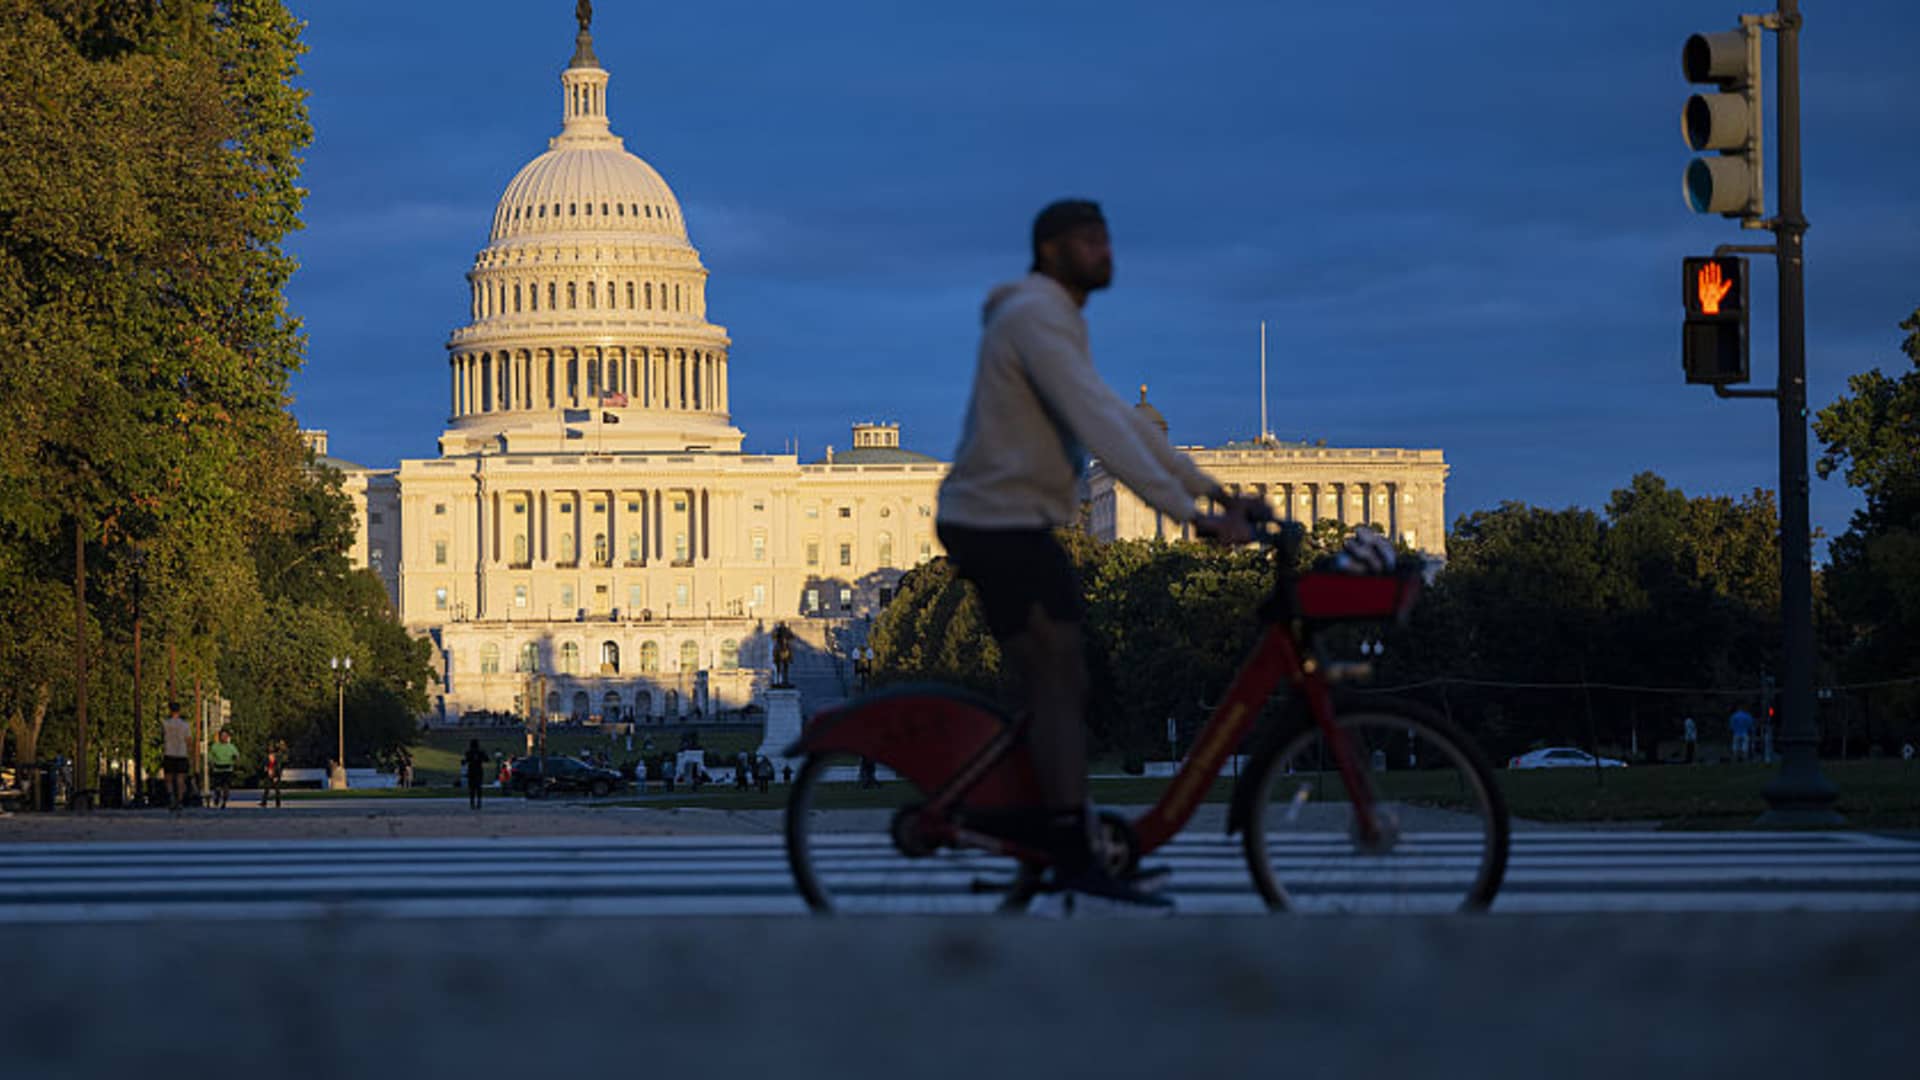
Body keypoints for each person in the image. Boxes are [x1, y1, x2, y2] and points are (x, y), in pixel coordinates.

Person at [934, 199, 1260, 912]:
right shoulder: (1033, 318)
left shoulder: (1058, 321)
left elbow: (1117, 420)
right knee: (1056, 675)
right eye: (1090, 241)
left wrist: (1212, 492)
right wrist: (1192, 517)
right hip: (995, 520)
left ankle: (1055, 823)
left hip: (1018, 520)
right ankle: (1066, 844)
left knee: (1069, 679)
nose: (1107, 252)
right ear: (1051, 251)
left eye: (1107, 239)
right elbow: (1099, 428)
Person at [161, 702, 191, 815]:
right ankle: (179, 800)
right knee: (180, 779)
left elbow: (162, 736)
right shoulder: (185, 725)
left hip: (169, 752)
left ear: (170, 710)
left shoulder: (165, 723)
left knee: (168, 777)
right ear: (179, 710)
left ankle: (170, 795)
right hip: (182, 753)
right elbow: (188, 740)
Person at [207, 729, 239, 809]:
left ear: (228, 737)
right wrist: (211, 763)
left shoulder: (231, 747)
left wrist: (235, 758)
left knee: (226, 786)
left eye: (225, 736)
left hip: (228, 768)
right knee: (217, 786)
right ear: (220, 737)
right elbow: (210, 756)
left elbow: (236, 755)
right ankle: (217, 796)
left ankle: (224, 800)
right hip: (218, 769)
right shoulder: (215, 746)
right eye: (222, 736)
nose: (224, 738)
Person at [463, 739, 489, 809]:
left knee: (472, 788)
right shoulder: (481, 752)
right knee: (478, 788)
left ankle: (472, 803)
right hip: (479, 771)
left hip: (471, 771)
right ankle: (479, 803)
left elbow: (465, 761)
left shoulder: (468, 752)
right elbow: (487, 759)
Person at [260, 740, 284, 808]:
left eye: (272, 755)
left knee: (277, 790)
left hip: (275, 776)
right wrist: (266, 770)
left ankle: (278, 803)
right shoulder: (266, 760)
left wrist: (276, 777)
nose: (271, 756)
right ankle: (264, 802)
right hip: (268, 776)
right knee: (266, 789)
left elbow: (279, 770)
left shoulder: (277, 761)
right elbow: (263, 768)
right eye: (270, 755)